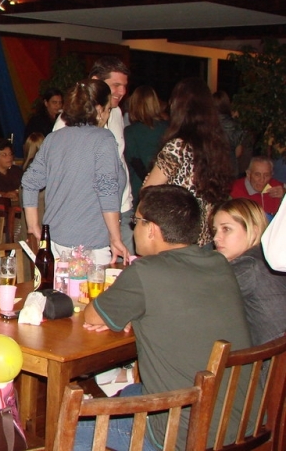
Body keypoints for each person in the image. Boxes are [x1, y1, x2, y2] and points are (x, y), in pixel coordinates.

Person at [82, 185, 251, 451]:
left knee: (69, 426)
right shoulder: (218, 264)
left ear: (152, 229)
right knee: (131, 392)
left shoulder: (146, 272)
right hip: (240, 419)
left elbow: (92, 314)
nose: (133, 228)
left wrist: (129, 311)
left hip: (183, 433)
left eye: (136, 221)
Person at [23, 79, 128, 264]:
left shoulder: (54, 139)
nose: (108, 115)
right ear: (99, 109)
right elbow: (107, 190)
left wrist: (33, 225)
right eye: (108, 109)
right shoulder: (103, 139)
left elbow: (30, 182)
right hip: (89, 244)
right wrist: (115, 237)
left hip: (55, 241)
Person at [142, 77, 234, 247]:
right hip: (206, 236)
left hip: (178, 237)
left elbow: (148, 191)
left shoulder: (178, 146)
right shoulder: (216, 147)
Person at [55, 57, 134, 252]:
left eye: (124, 86)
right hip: (89, 216)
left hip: (122, 209)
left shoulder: (115, 113)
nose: (122, 92)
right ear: (96, 81)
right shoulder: (66, 122)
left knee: (124, 275)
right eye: (116, 85)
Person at [212, 198, 286, 346]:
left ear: (254, 230)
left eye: (226, 229)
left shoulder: (248, 265)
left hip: (267, 364)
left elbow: (202, 297)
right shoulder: (266, 258)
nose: (216, 238)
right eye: (215, 230)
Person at [123, 85, 167, 204]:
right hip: (165, 190)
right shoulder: (168, 128)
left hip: (139, 192)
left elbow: (135, 163)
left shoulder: (130, 132)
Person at [214, 90, 246, 177]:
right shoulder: (235, 125)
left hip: (212, 167)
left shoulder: (207, 124)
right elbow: (238, 152)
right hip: (230, 167)